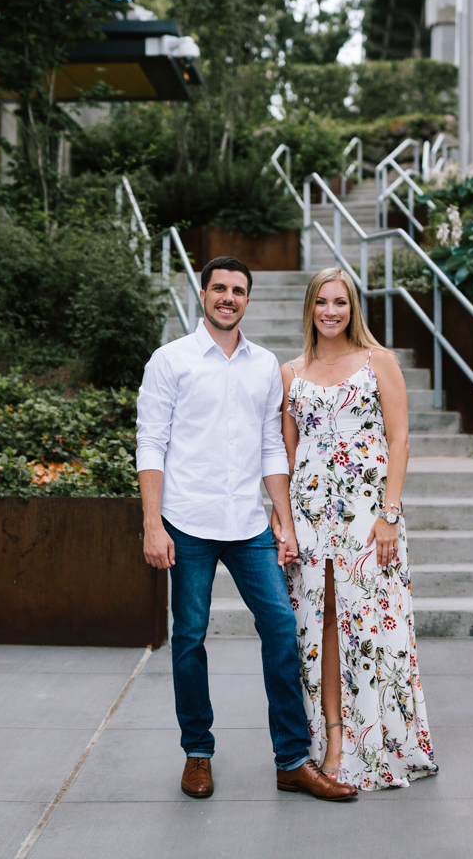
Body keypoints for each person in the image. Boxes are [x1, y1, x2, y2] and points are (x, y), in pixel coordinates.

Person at [136, 256, 357, 803]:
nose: (228, 297)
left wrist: (282, 519)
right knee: (189, 637)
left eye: (238, 290)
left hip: (248, 522)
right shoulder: (170, 361)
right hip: (186, 522)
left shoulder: (264, 366)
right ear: (204, 294)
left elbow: (270, 447)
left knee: (281, 627)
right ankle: (197, 753)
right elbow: (150, 444)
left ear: (248, 300)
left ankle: (290, 760)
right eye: (219, 289)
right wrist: (151, 524)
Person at [276, 267, 437, 790]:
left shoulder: (378, 361)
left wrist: (389, 514)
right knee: (318, 627)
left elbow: (401, 439)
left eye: (340, 302)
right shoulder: (290, 372)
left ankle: (380, 740)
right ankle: (333, 740)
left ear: (353, 308)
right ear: (310, 307)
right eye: (321, 301)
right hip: (308, 514)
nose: (330, 311)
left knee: (368, 623)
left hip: (368, 517)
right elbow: (287, 451)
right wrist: (283, 522)